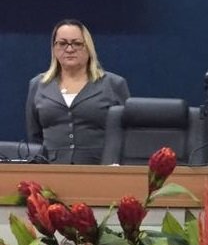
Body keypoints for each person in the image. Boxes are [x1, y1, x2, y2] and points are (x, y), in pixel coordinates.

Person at [25, 18, 130, 164]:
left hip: (99, 168)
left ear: (88, 47)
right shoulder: (38, 84)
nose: (69, 49)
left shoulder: (113, 84)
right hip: (51, 169)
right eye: (62, 43)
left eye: (77, 43)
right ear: (54, 48)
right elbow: (34, 136)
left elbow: (125, 134)